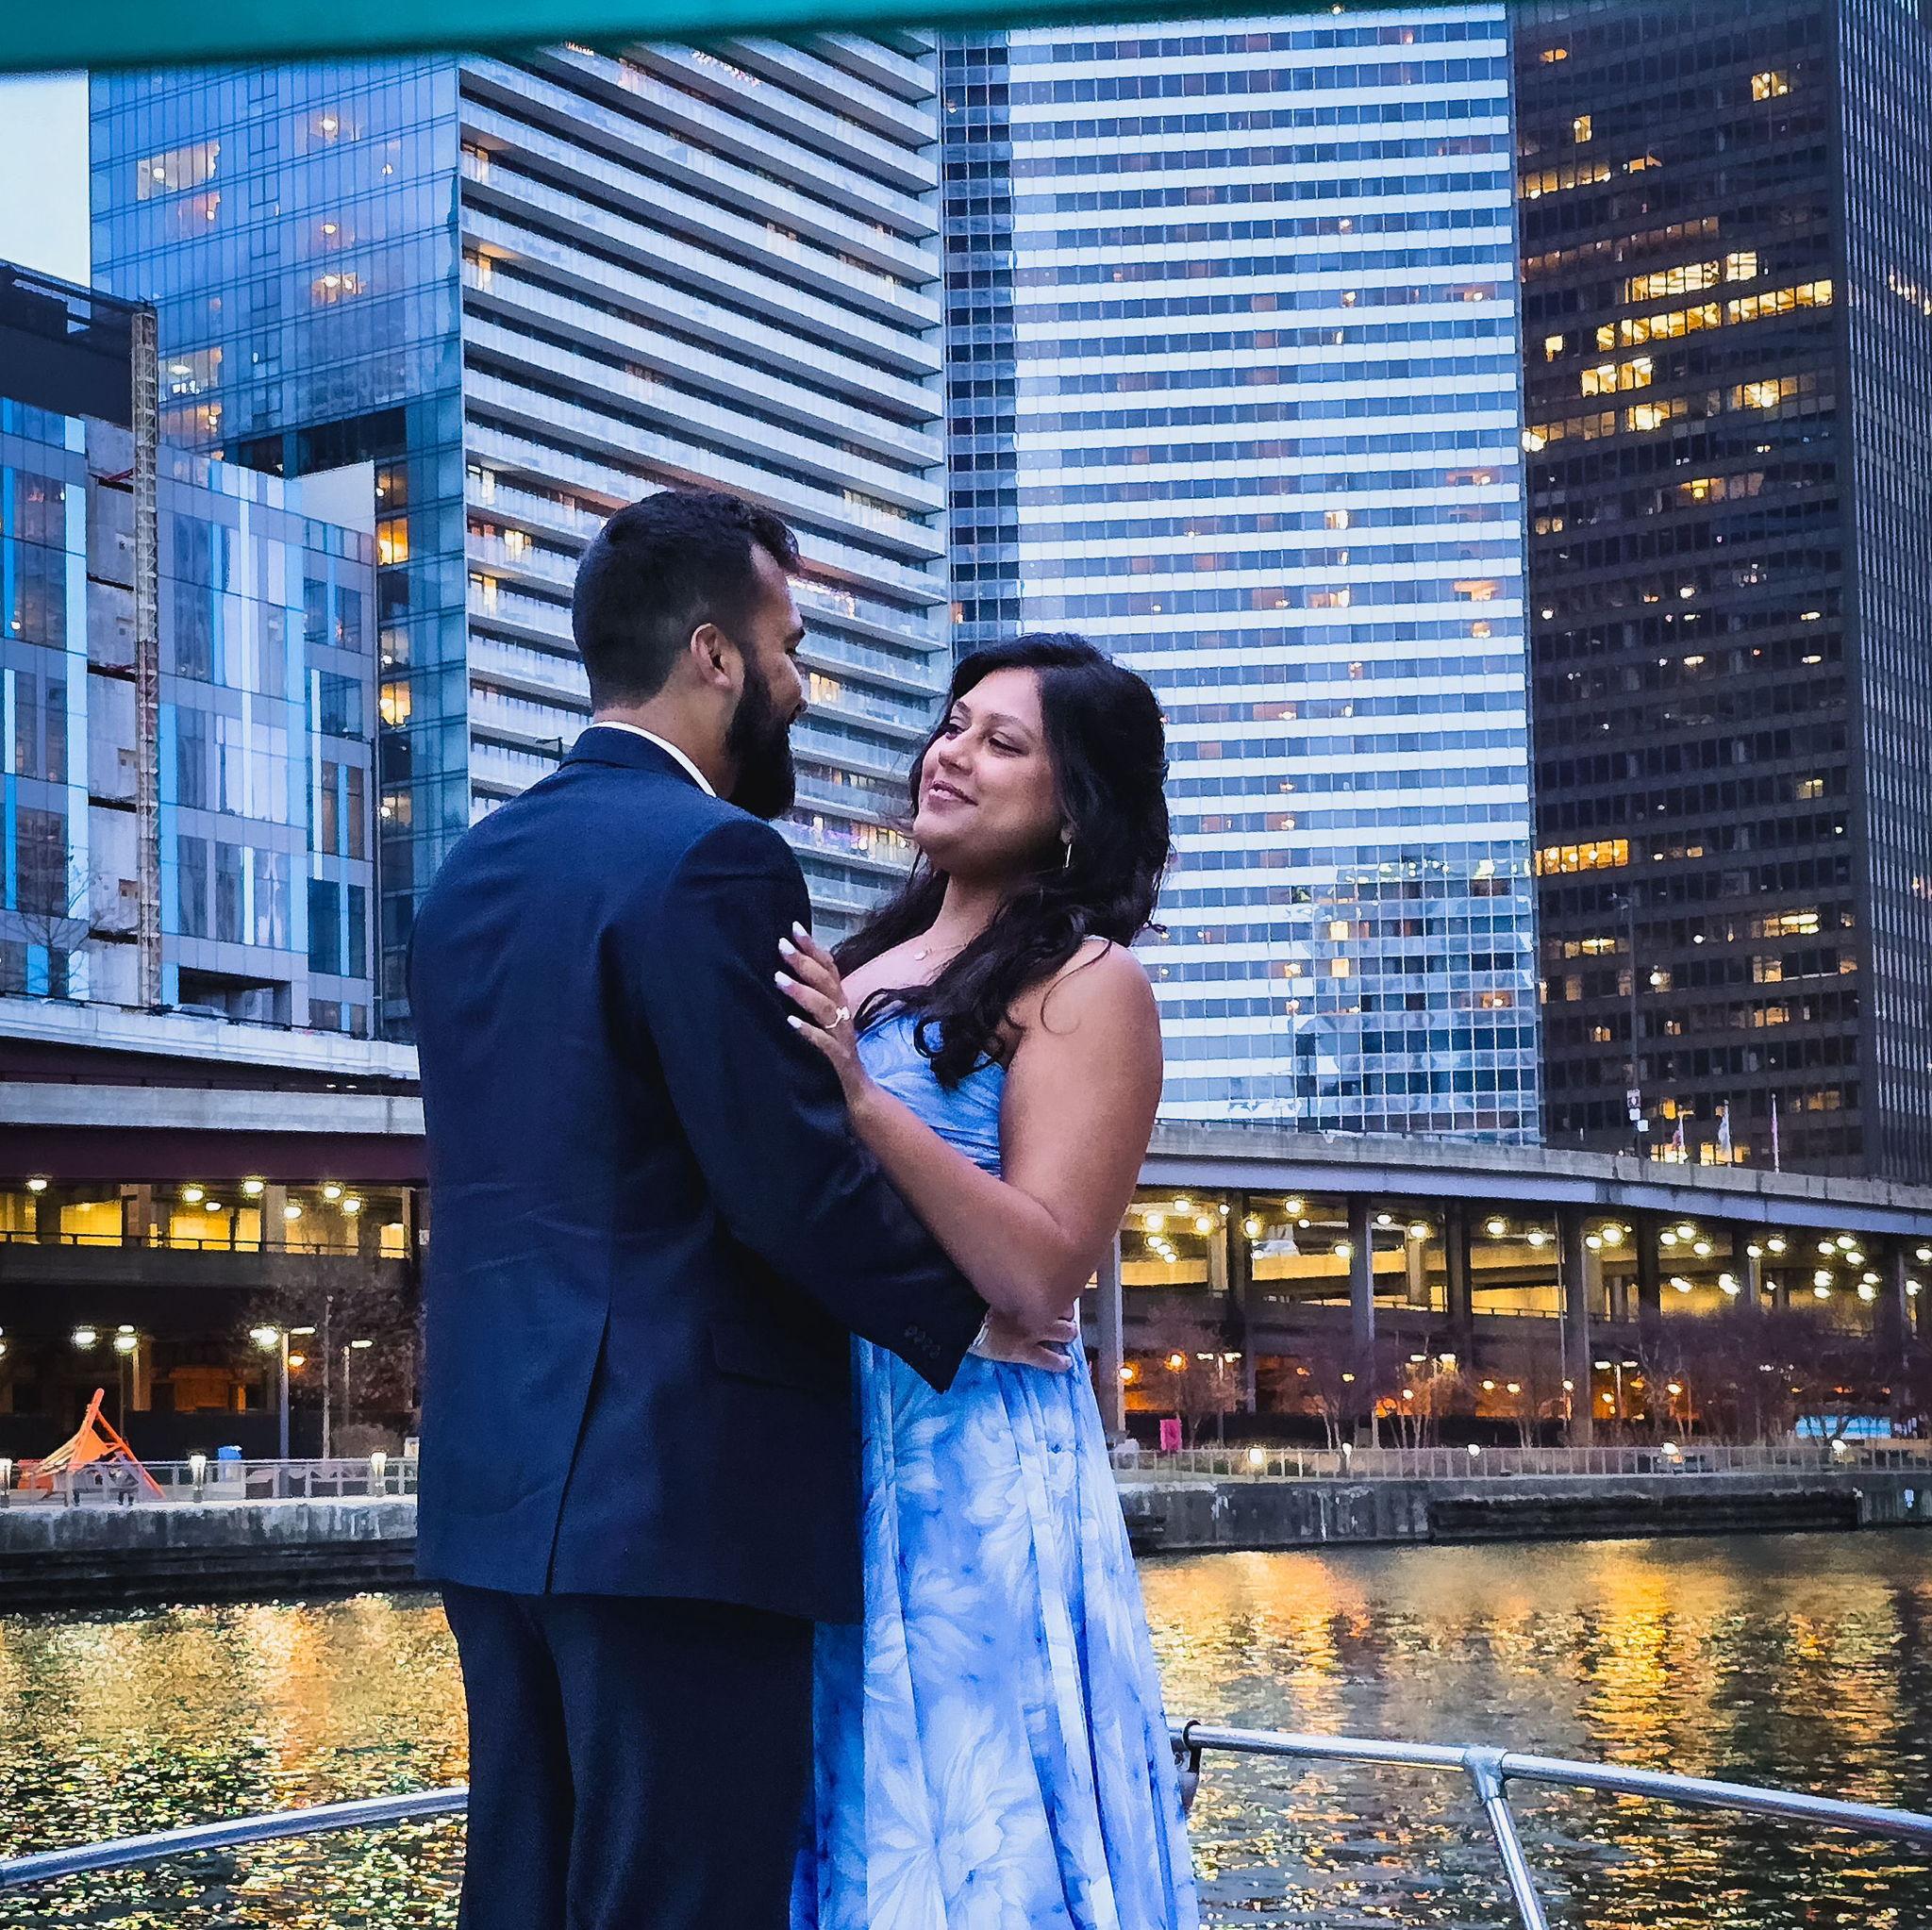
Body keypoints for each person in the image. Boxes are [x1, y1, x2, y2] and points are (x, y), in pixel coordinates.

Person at [408, 489, 1074, 1930]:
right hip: (677, 1500)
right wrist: (964, 1313)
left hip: (490, 1492)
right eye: (790, 647)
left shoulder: (470, 872)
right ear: (714, 655)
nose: (801, 685)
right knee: (682, 1899)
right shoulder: (717, 857)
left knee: (522, 1890)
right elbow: (777, 1172)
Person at [783, 635, 1200, 1929]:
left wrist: (862, 1101)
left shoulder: (1090, 985)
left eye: (1001, 741)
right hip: (826, 1446)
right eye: (953, 724)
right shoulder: (860, 966)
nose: (951, 754)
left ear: (1074, 807)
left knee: (976, 1816)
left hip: (970, 1462)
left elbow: (1043, 1265)